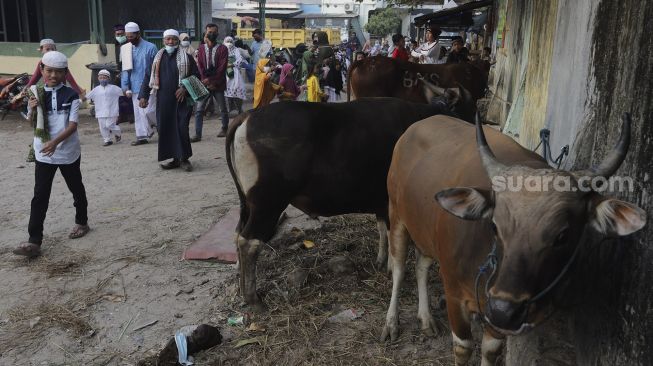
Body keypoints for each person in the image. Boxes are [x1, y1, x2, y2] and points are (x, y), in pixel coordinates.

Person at [14, 51, 89, 258]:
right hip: (43, 151)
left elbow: (73, 125)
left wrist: (55, 142)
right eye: (49, 71)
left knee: (76, 188)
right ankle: (34, 241)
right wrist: (32, 109)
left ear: (66, 73)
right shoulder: (34, 93)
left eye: (58, 72)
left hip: (67, 151)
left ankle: (82, 222)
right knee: (40, 195)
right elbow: (31, 124)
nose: (53, 75)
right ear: (42, 71)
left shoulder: (71, 95)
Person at [140, 29, 199, 172]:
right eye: (168, 39)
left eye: (173, 39)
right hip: (164, 100)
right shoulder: (157, 58)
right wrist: (143, 96)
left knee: (181, 128)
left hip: (182, 101)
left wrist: (184, 88)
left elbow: (196, 76)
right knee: (165, 128)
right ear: (163, 41)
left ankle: (184, 159)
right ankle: (174, 159)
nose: (170, 42)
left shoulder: (187, 57)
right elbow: (148, 76)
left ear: (177, 41)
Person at [121, 22, 158, 145]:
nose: (129, 39)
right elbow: (125, 69)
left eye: (131, 36)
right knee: (138, 113)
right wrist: (125, 86)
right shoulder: (125, 49)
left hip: (150, 85)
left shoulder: (151, 47)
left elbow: (156, 68)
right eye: (127, 37)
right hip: (134, 85)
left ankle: (159, 125)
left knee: (149, 110)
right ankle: (142, 136)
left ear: (138, 34)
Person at [193, 23, 229, 141]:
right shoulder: (201, 48)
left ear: (217, 33)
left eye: (214, 32)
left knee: (223, 108)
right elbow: (200, 65)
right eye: (209, 32)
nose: (211, 34)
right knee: (199, 110)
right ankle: (198, 134)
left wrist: (212, 81)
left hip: (217, 83)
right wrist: (205, 80)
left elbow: (222, 68)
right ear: (205, 33)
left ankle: (224, 128)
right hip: (204, 83)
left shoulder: (223, 49)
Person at [85, 69, 122, 146]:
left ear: (108, 78)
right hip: (100, 111)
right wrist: (78, 100)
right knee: (103, 127)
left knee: (109, 125)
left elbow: (123, 92)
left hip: (112, 111)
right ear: (98, 78)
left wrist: (128, 92)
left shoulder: (114, 88)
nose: (102, 79)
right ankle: (107, 140)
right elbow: (87, 97)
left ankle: (118, 133)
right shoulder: (96, 89)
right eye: (101, 77)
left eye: (104, 77)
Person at [113, 25, 134, 125]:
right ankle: (122, 115)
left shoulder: (130, 44)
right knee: (119, 95)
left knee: (128, 93)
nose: (120, 36)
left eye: (122, 34)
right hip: (118, 73)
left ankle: (130, 115)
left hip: (128, 72)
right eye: (118, 34)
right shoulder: (115, 45)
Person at [223, 36, 247, 115]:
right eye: (227, 41)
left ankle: (239, 109)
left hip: (235, 73)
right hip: (224, 73)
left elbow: (239, 59)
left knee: (238, 88)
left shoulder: (236, 50)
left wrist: (232, 64)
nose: (229, 43)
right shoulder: (222, 49)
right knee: (225, 92)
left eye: (230, 41)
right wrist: (225, 65)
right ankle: (227, 111)